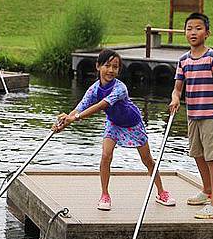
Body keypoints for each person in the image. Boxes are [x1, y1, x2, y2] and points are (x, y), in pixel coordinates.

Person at [52, 49, 176, 211]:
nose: (111, 70)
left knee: (147, 160)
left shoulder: (120, 88)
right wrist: (64, 123)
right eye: (107, 65)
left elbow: (101, 105)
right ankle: (105, 195)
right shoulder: (94, 89)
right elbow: (80, 107)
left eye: (115, 67)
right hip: (114, 124)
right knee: (105, 155)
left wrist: (73, 118)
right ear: (98, 66)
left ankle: (161, 192)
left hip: (133, 123)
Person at [168, 13, 213, 219]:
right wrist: (175, 98)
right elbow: (177, 88)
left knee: (212, 157)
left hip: (212, 115)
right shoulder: (183, 61)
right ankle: (206, 191)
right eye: (189, 28)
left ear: (206, 33)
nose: (193, 32)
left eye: (198, 28)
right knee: (197, 154)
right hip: (193, 114)